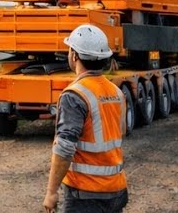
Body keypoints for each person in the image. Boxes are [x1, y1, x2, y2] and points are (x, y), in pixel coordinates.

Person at [43, 24, 128, 213]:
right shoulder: (116, 92)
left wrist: (51, 191)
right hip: (116, 189)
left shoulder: (75, 95)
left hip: (87, 194)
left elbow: (64, 148)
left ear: (74, 55)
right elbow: (119, 132)